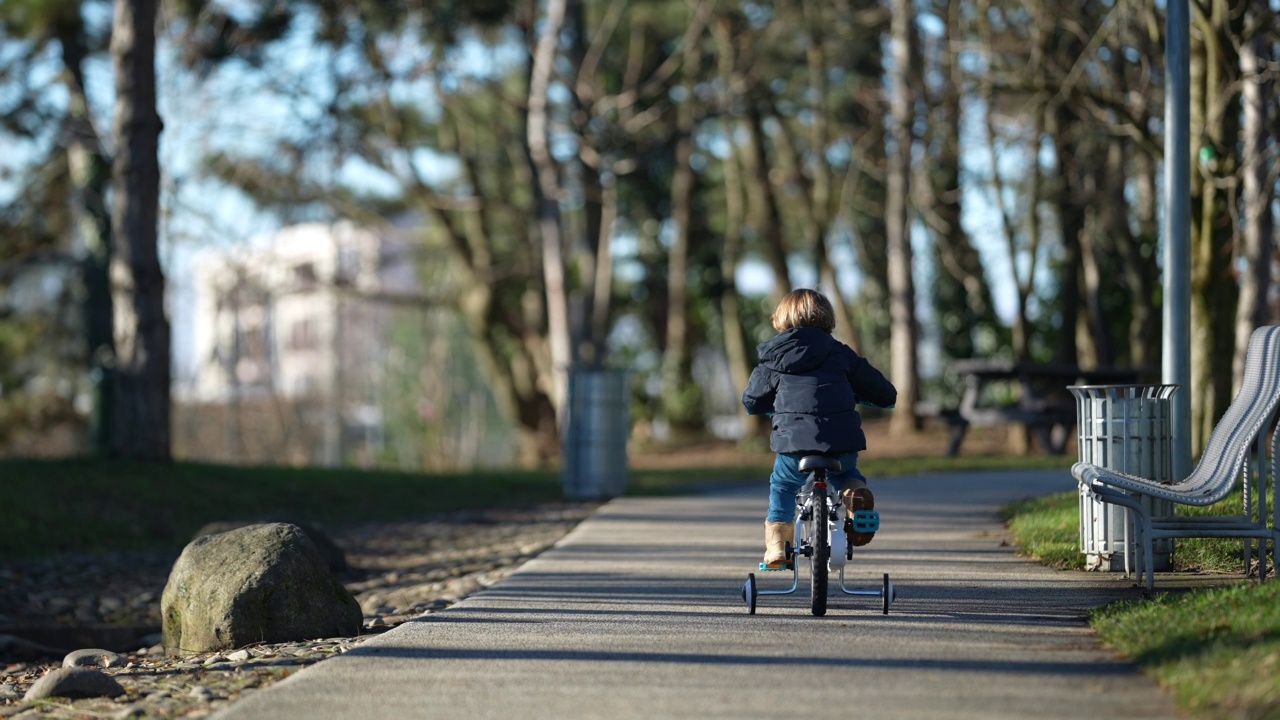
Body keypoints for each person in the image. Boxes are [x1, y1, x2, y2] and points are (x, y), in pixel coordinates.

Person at [741, 288, 897, 568]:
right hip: (841, 441)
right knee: (847, 474)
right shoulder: (841, 353)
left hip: (793, 444)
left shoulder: (774, 357)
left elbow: (751, 400)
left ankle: (777, 546)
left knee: (783, 485)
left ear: (782, 319)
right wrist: (864, 397)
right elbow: (886, 393)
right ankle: (854, 497)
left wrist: (768, 406)